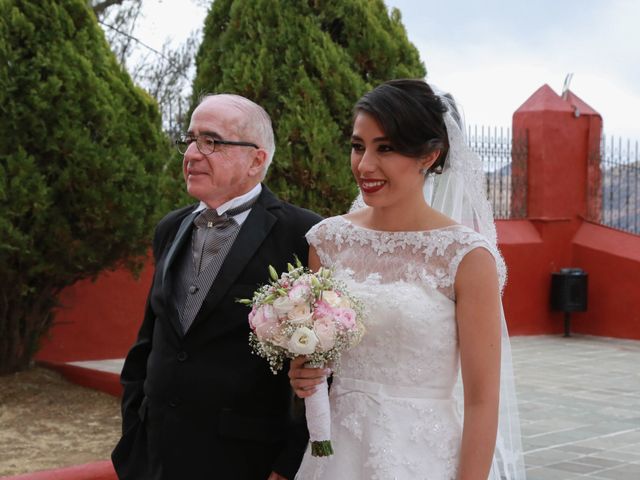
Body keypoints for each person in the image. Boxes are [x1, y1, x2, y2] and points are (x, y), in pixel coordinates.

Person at [289, 79, 525, 479]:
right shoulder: (328, 241)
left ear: (429, 156)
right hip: (336, 456)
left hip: (422, 456)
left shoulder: (466, 256)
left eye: (386, 148)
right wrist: (303, 372)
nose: (364, 165)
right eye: (358, 146)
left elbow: (483, 399)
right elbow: (319, 356)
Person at [111, 93, 322, 480]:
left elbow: (323, 366)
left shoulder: (304, 234)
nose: (191, 153)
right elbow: (151, 338)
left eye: (211, 141)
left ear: (257, 160)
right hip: (154, 453)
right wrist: (133, 428)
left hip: (245, 461)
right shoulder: (170, 227)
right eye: (189, 139)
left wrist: (289, 464)